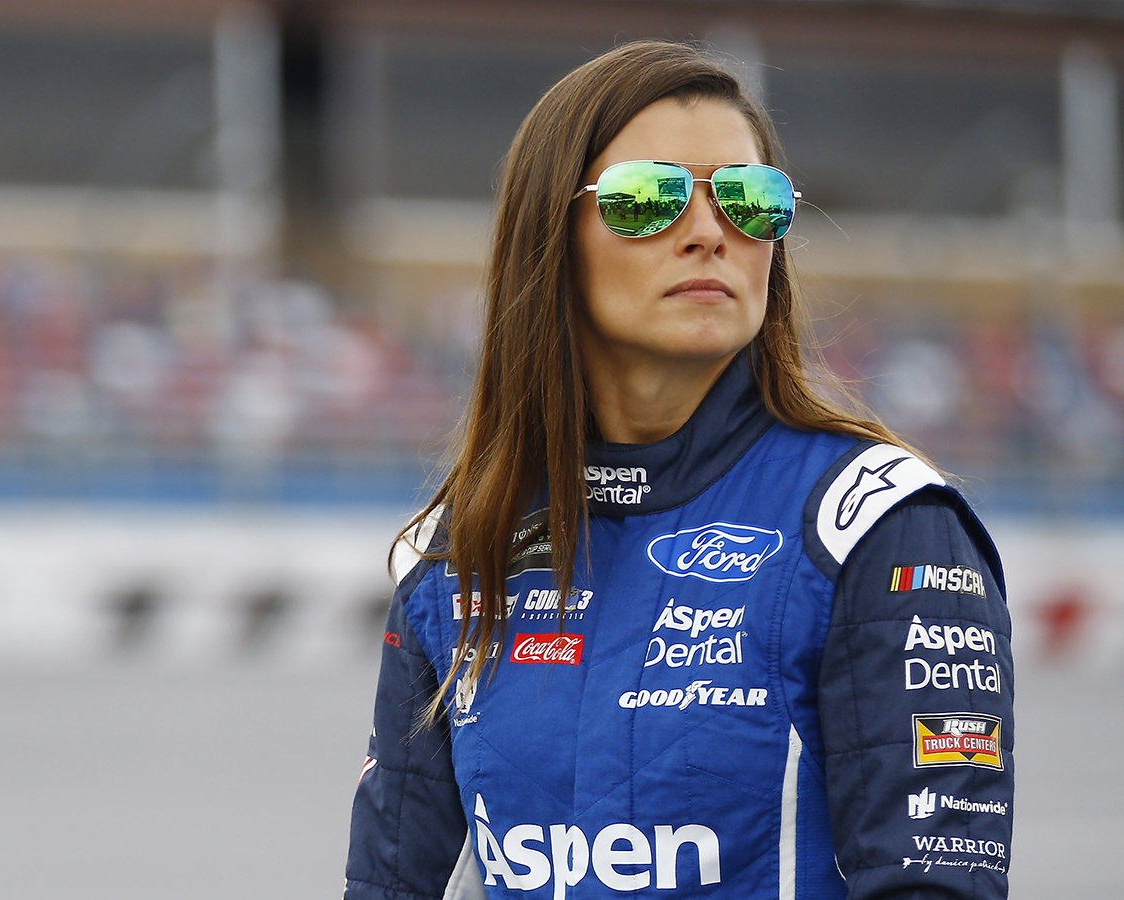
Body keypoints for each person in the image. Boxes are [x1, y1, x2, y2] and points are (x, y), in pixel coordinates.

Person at [345, 41, 1012, 900]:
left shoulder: (878, 527)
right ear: (551, 236)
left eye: (749, 198)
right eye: (648, 199)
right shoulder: (461, 549)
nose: (708, 232)